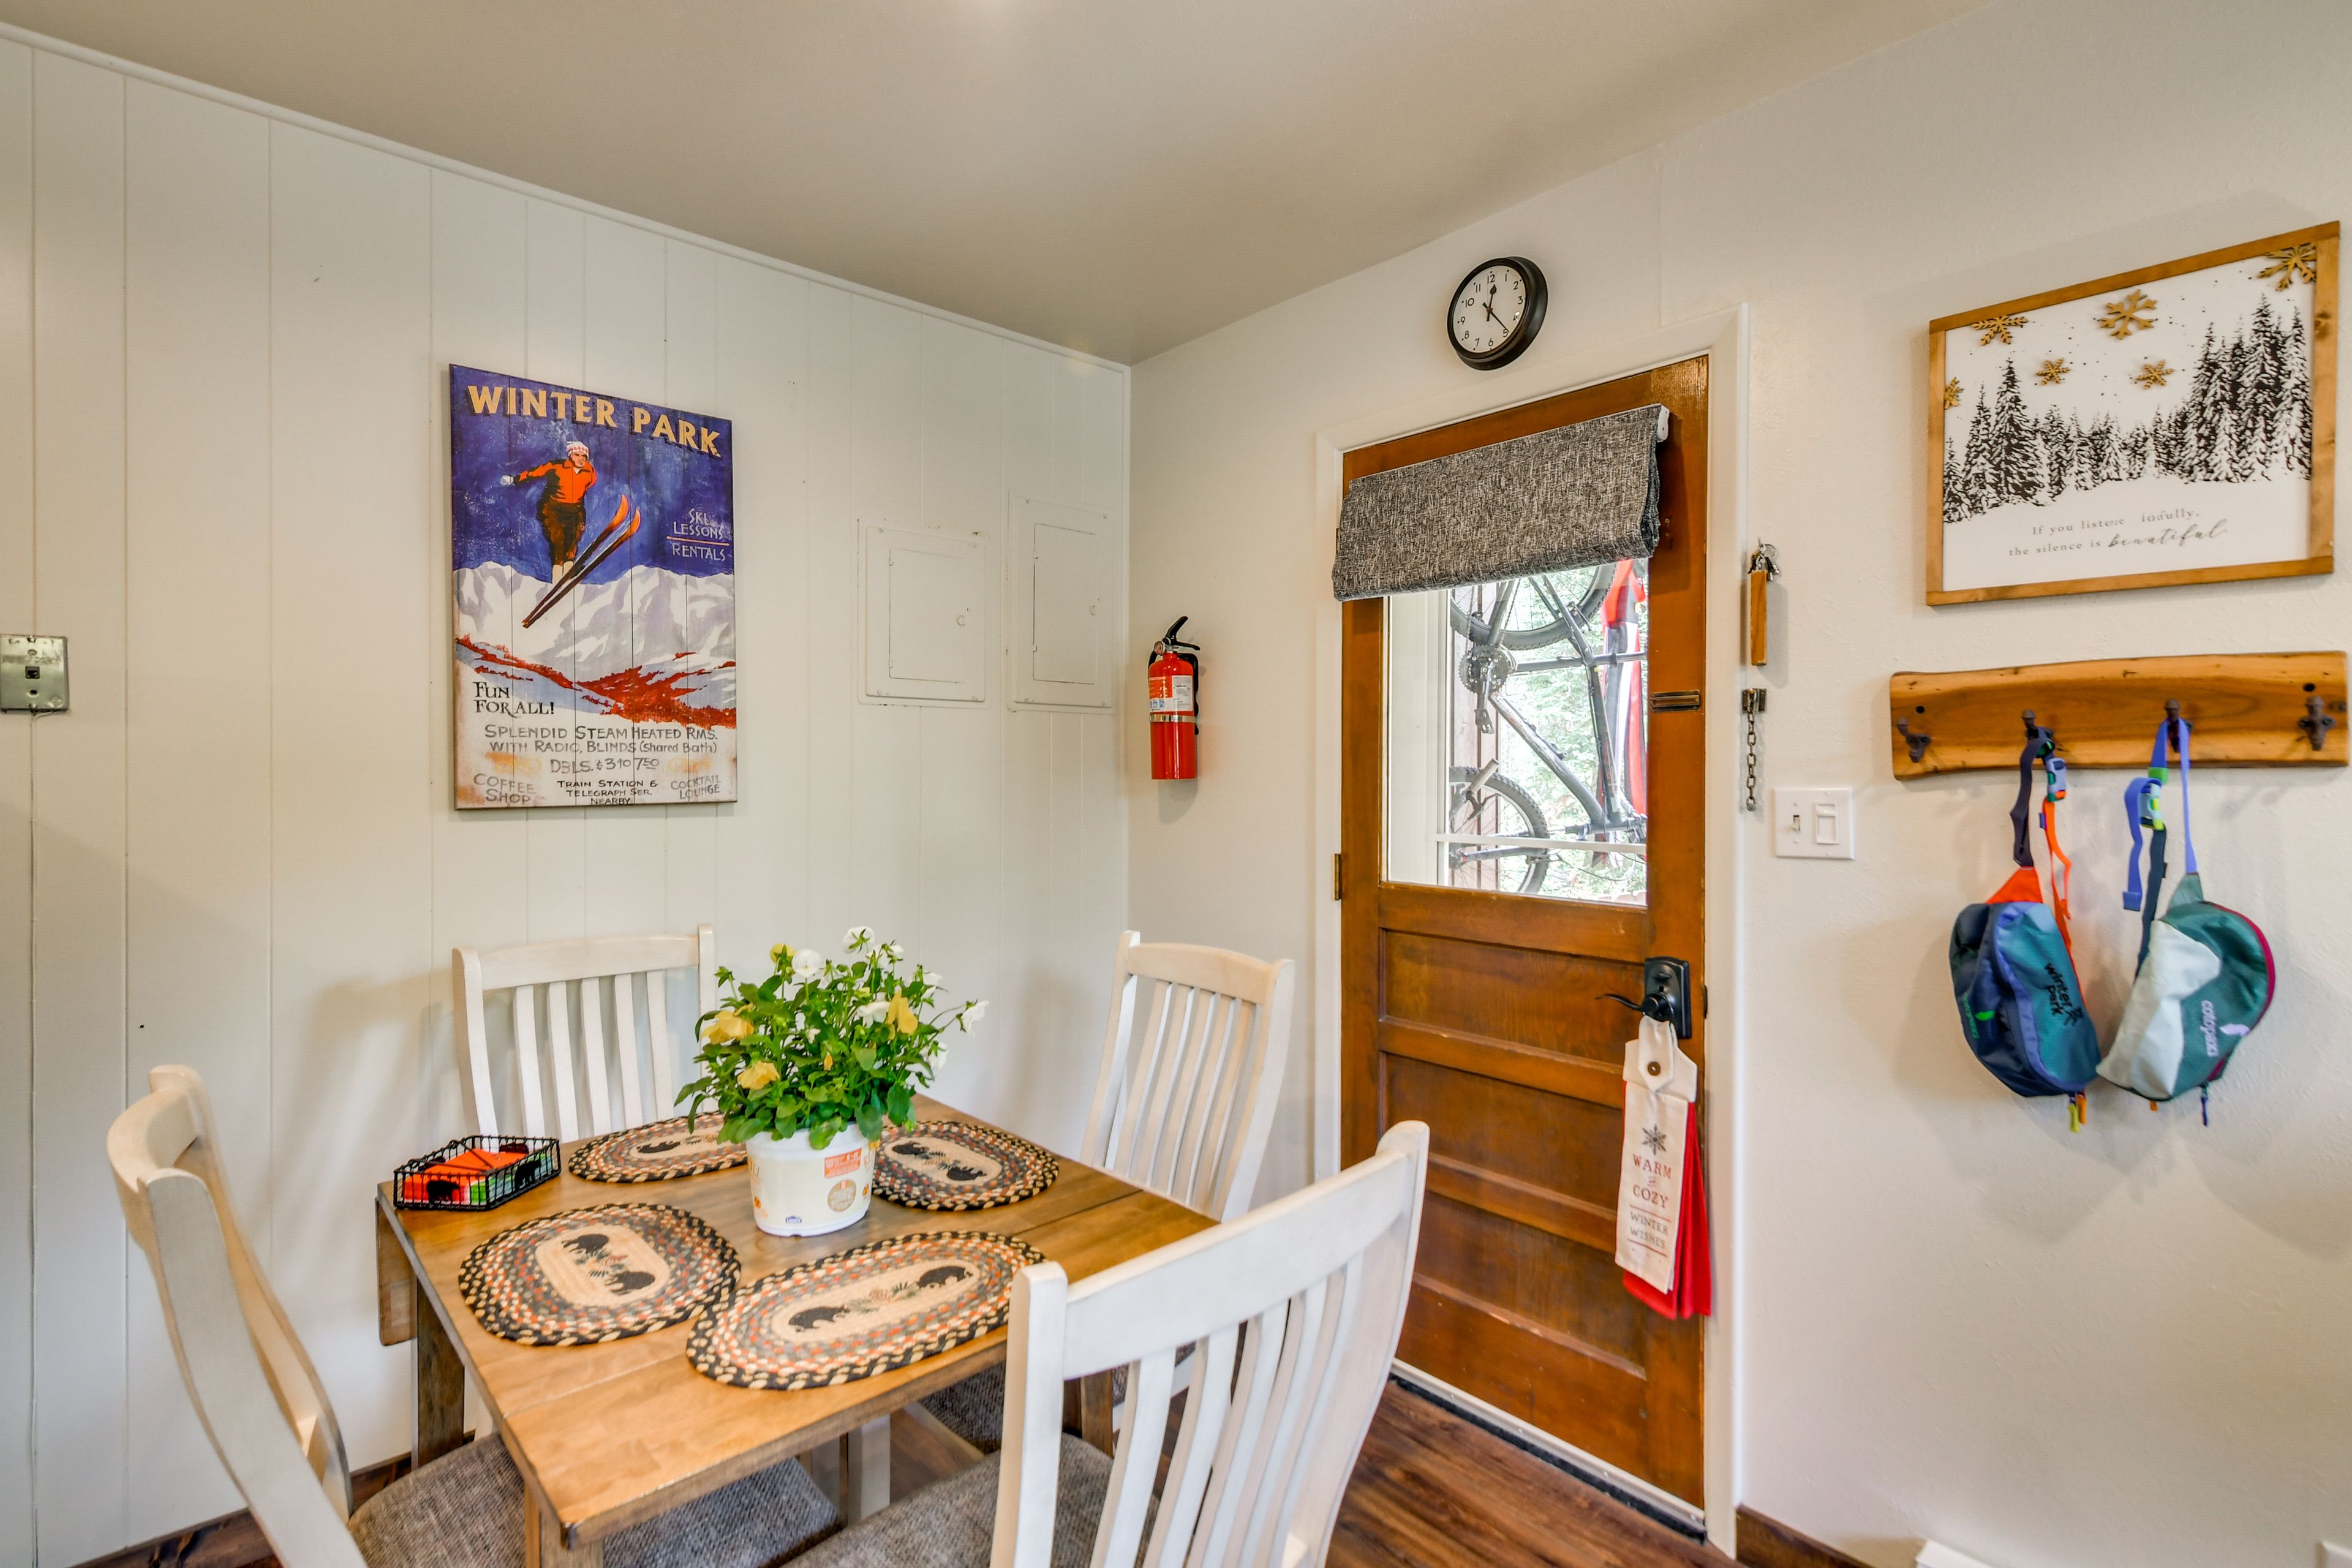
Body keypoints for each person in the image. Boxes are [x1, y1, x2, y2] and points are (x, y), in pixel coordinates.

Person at [501, 440, 598, 571]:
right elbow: (536, 472)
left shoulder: (589, 471)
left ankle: (569, 565)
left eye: (584, 457)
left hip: (575, 509)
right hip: (553, 507)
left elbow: (589, 484)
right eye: (577, 455)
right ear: (570, 455)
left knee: (574, 536)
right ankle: (557, 571)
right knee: (558, 540)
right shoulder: (557, 466)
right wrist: (515, 480)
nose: (581, 459)